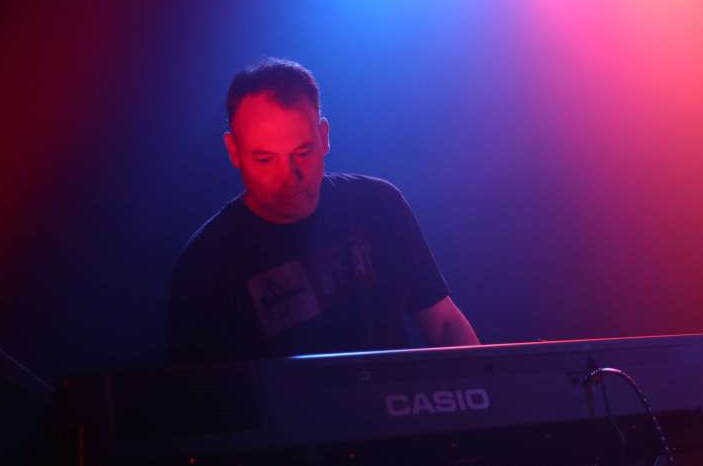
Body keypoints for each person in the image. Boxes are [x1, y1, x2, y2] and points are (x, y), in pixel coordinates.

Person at [167, 58, 479, 364]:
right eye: (265, 159)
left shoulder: (380, 205)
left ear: (324, 137)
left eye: (302, 153)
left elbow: (443, 324)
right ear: (234, 151)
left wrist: (481, 386)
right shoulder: (207, 262)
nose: (288, 177)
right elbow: (201, 391)